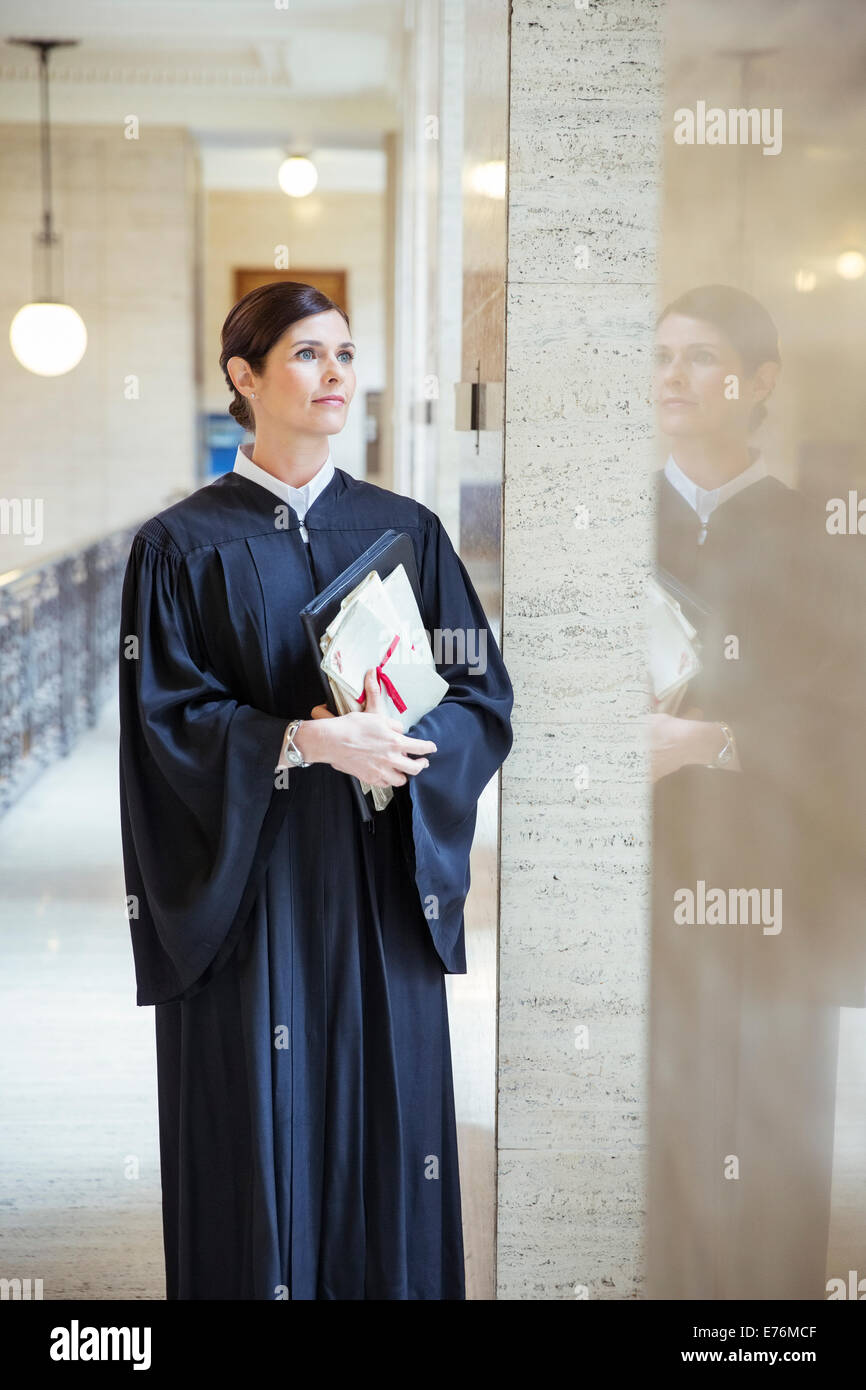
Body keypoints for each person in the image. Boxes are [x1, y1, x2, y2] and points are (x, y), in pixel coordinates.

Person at [117, 280, 514, 1300]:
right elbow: (163, 722)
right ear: (243, 379)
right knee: (261, 1122)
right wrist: (300, 739)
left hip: (381, 876)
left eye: (343, 353)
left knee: (390, 1121)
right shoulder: (179, 547)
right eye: (304, 354)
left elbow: (480, 695)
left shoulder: (405, 531)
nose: (332, 373)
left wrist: (404, 747)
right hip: (253, 885)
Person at [647, 283, 866, 1299]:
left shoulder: (815, 535)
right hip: (645, 877)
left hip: (776, 868)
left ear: (759, 381)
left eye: (700, 357)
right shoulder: (609, 525)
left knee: (773, 1125)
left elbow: (842, 716)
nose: (673, 376)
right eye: (661, 356)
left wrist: (708, 739)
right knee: (657, 1116)